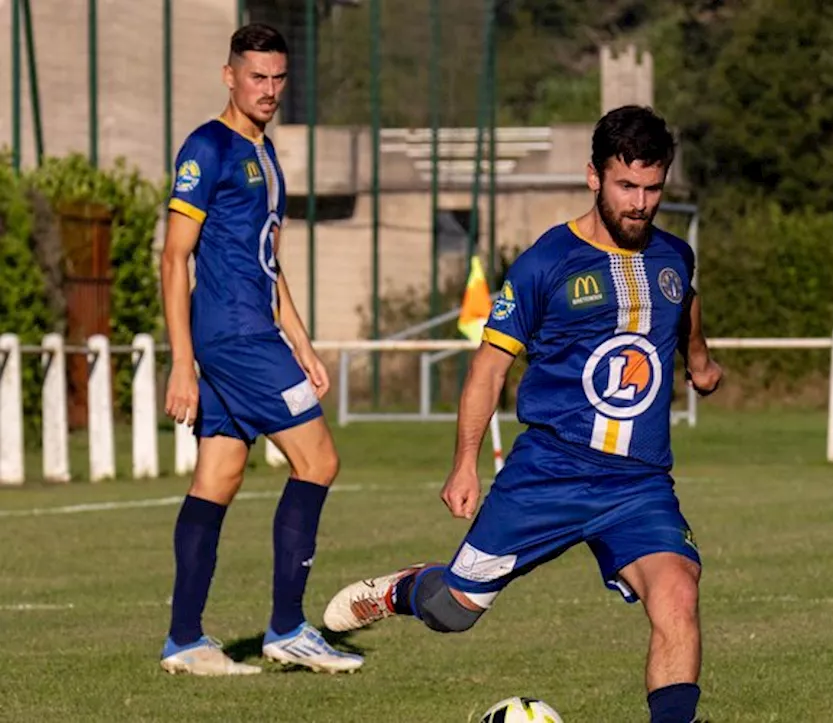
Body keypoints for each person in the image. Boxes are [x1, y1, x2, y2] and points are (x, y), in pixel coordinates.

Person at [324, 105, 722, 722]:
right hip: (549, 472)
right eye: (626, 186)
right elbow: (488, 368)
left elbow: (685, 302)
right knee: (455, 610)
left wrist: (698, 360)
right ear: (594, 177)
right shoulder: (545, 264)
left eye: (652, 187)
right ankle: (404, 589)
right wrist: (464, 464)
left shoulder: (673, 256)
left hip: (637, 483)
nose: (641, 203)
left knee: (678, 595)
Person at [157, 23, 361, 676]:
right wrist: (183, 361)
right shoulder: (208, 147)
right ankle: (288, 627)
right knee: (319, 459)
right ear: (229, 76)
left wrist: (301, 339)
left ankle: (184, 640)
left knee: (218, 475)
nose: (269, 90)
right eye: (257, 78)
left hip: (258, 331)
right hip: (235, 339)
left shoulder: (264, 151)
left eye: (278, 79)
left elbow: (266, 263)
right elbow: (173, 257)